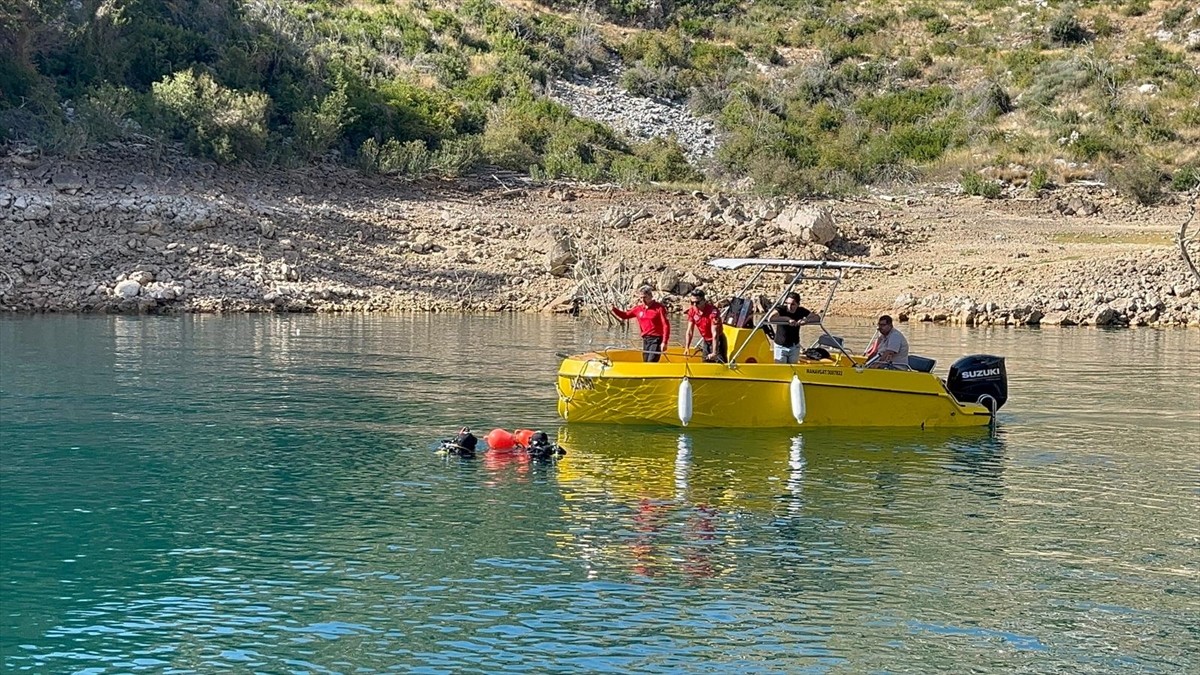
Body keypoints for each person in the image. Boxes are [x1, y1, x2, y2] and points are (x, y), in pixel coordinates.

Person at [611, 285, 671, 362]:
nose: (642, 300)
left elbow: (666, 325)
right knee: (645, 361)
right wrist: (614, 309)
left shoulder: (659, 308)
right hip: (646, 339)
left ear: (650, 296)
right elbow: (625, 315)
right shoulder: (638, 309)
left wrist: (664, 342)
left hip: (656, 339)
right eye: (641, 298)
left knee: (651, 361)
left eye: (644, 297)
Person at [766, 292, 821, 364]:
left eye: (792, 304)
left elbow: (817, 318)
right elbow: (771, 318)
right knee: (781, 368)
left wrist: (806, 320)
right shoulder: (782, 309)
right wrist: (787, 319)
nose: (789, 306)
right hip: (780, 346)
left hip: (794, 346)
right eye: (787, 303)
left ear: (798, 304)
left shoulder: (801, 311)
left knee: (794, 368)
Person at [684, 289, 726, 363]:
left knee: (719, 361)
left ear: (703, 301)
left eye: (697, 302)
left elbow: (715, 334)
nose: (694, 305)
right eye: (692, 302)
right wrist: (687, 347)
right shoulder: (692, 311)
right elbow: (689, 331)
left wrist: (714, 352)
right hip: (706, 340)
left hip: (717, 340)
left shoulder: (713, 312)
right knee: (705, 361)